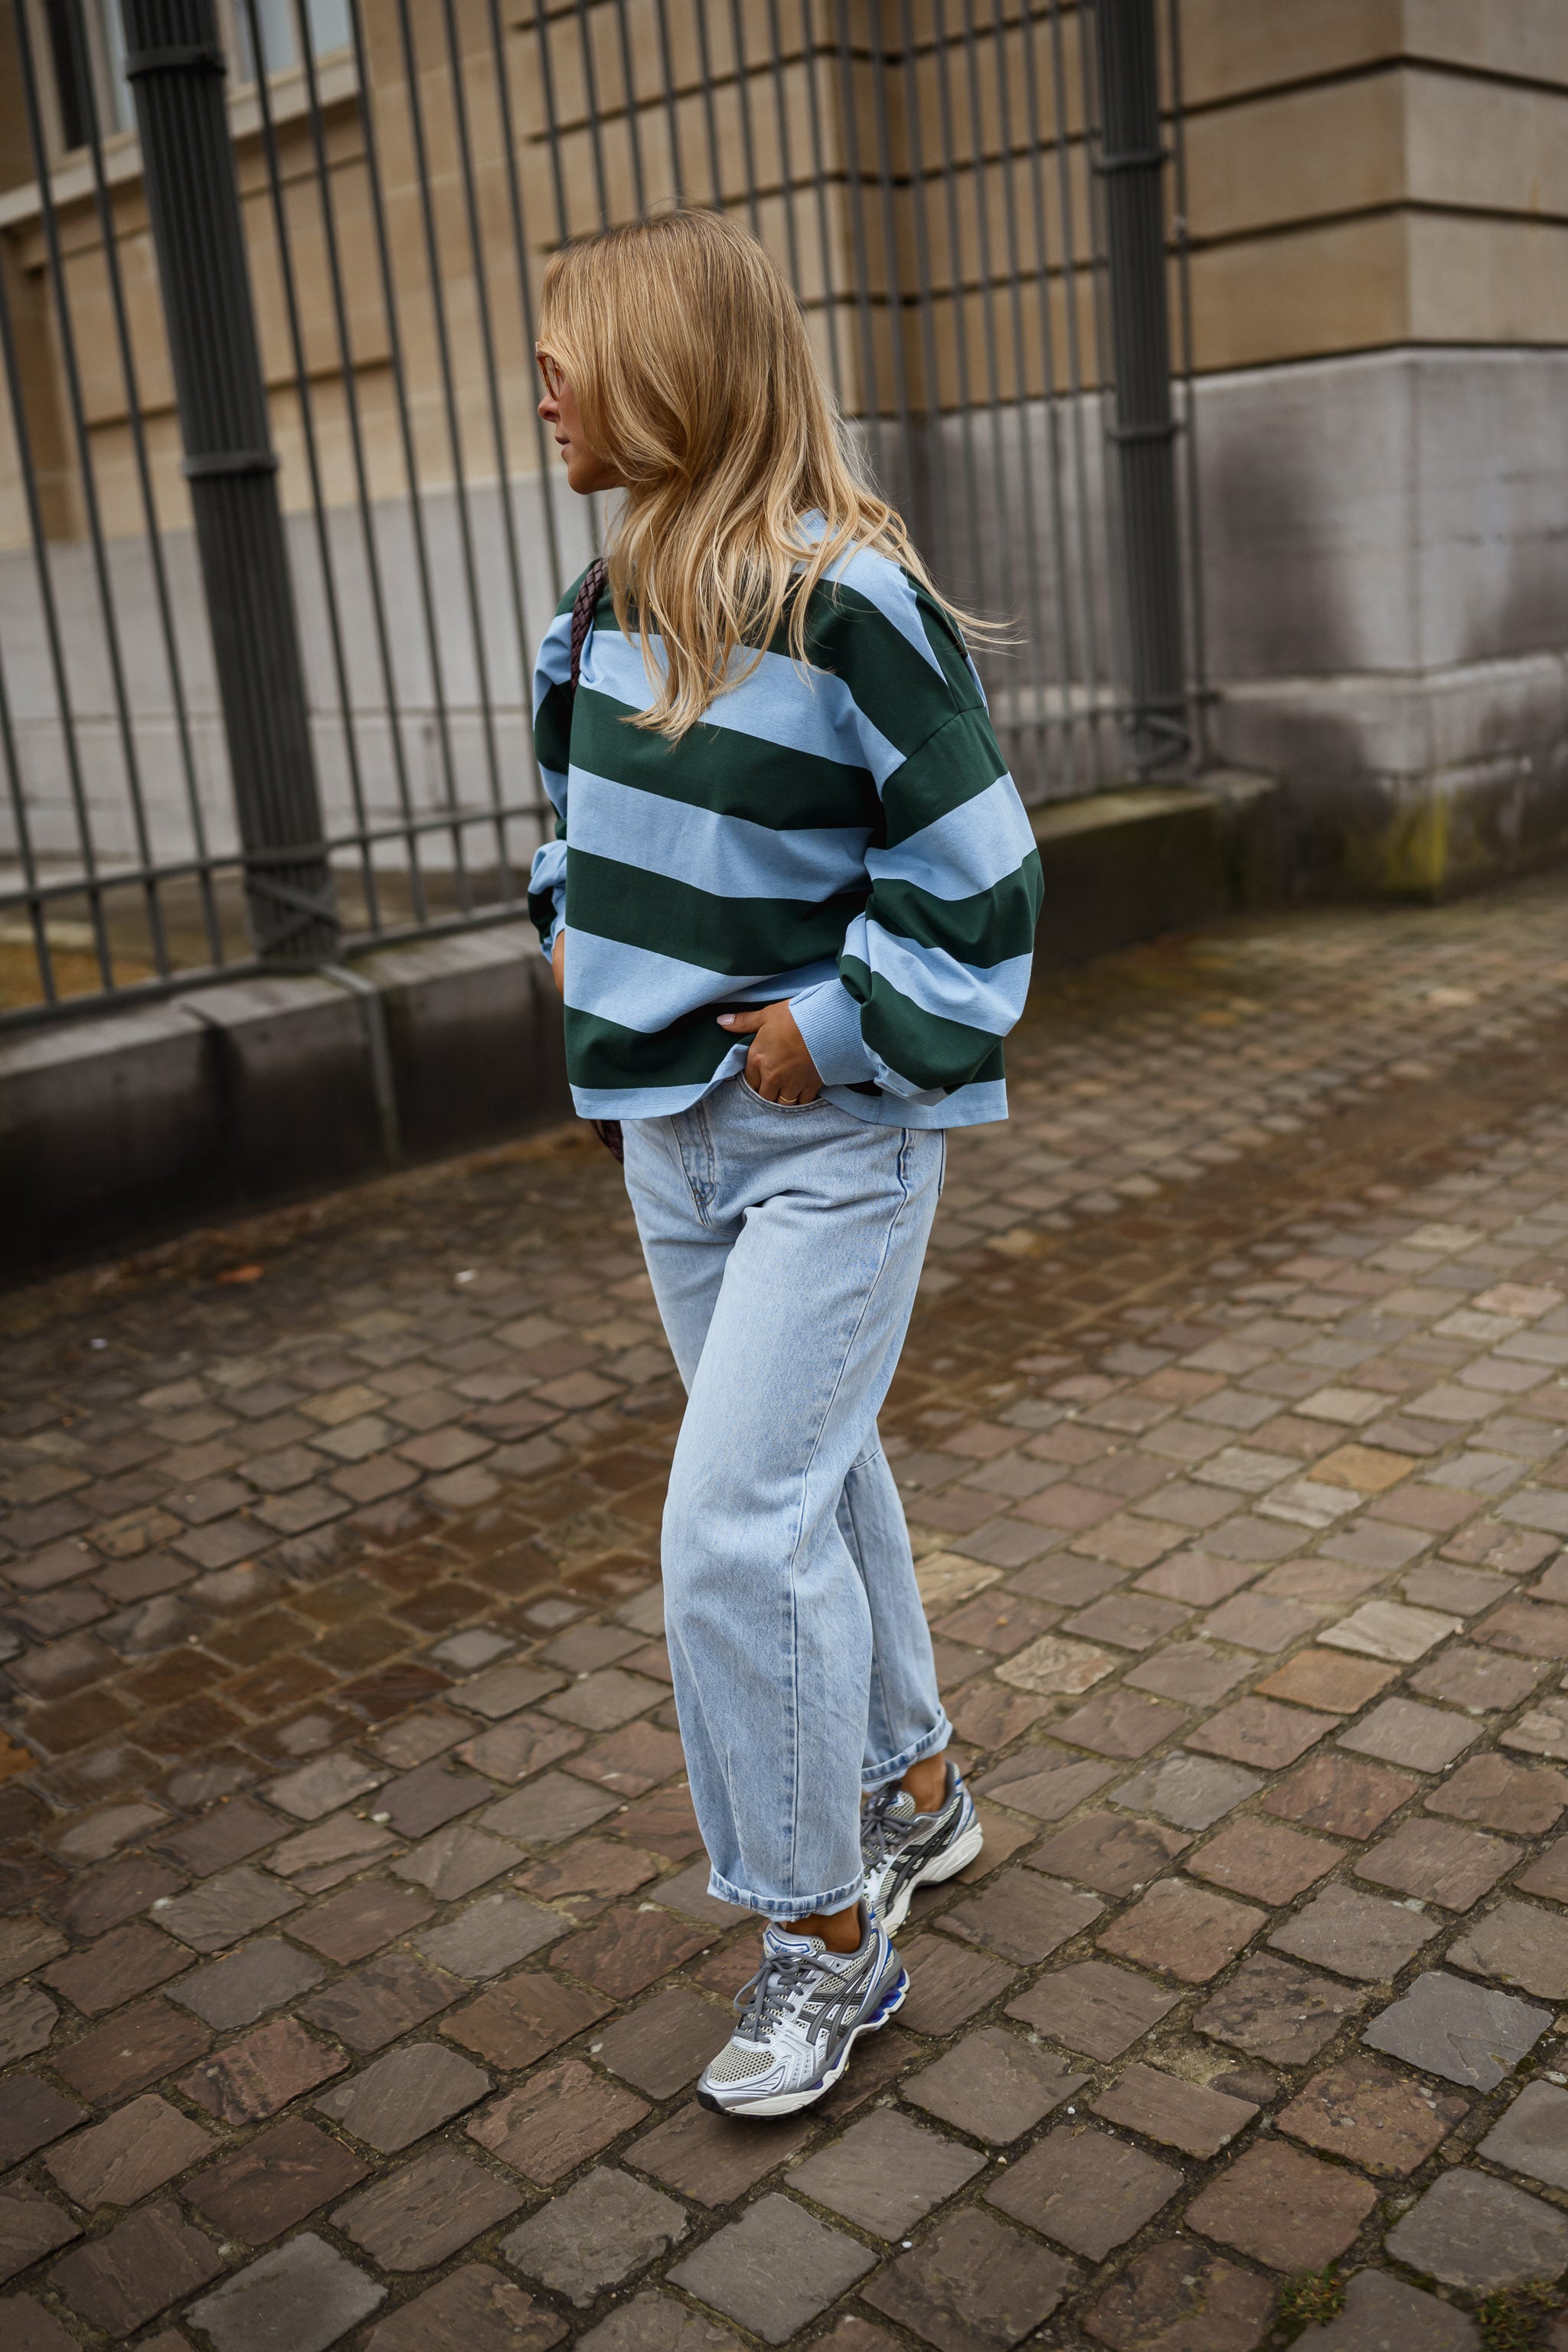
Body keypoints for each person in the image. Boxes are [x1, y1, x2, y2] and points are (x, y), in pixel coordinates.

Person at [529, 209, 1040, 2118]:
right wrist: (567, 939)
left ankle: (823, 1941)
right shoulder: (589, 612)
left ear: (671, 368)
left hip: (825, 1136)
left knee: (728, 1536)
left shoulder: (847, 605)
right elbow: (570, 836)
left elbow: (982, 889)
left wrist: (816, 1030)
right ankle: (919, 1789)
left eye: (575, 352)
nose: (551, 388)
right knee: (806, 1485)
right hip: (666, 1144)